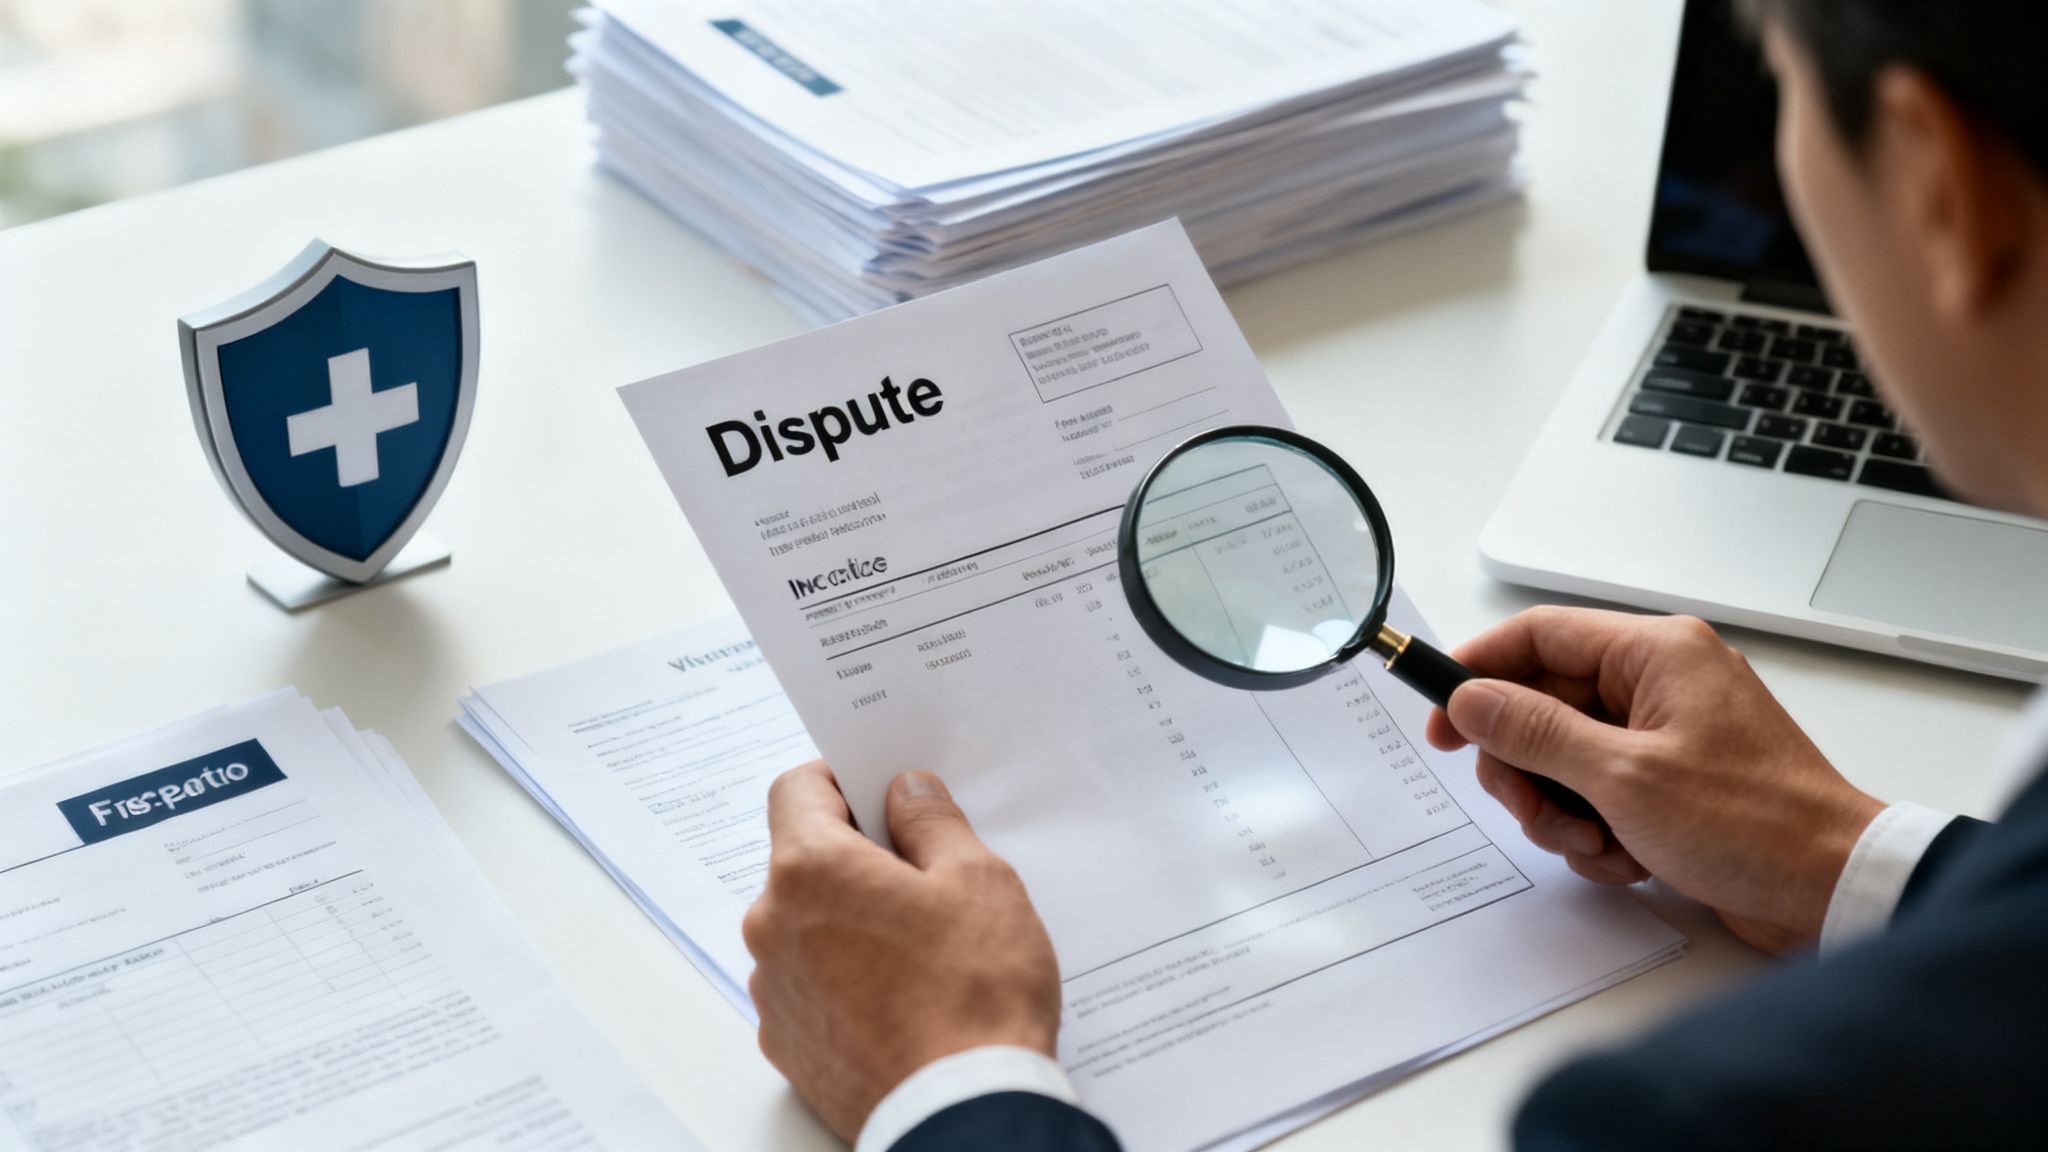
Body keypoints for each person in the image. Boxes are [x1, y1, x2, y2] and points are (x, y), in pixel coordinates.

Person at [739, 2, 2048, 1148]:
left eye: (1784, 101)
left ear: (1940, 181)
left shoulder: (1698, 1120)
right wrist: (1842, 857)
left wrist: (950, 1087)